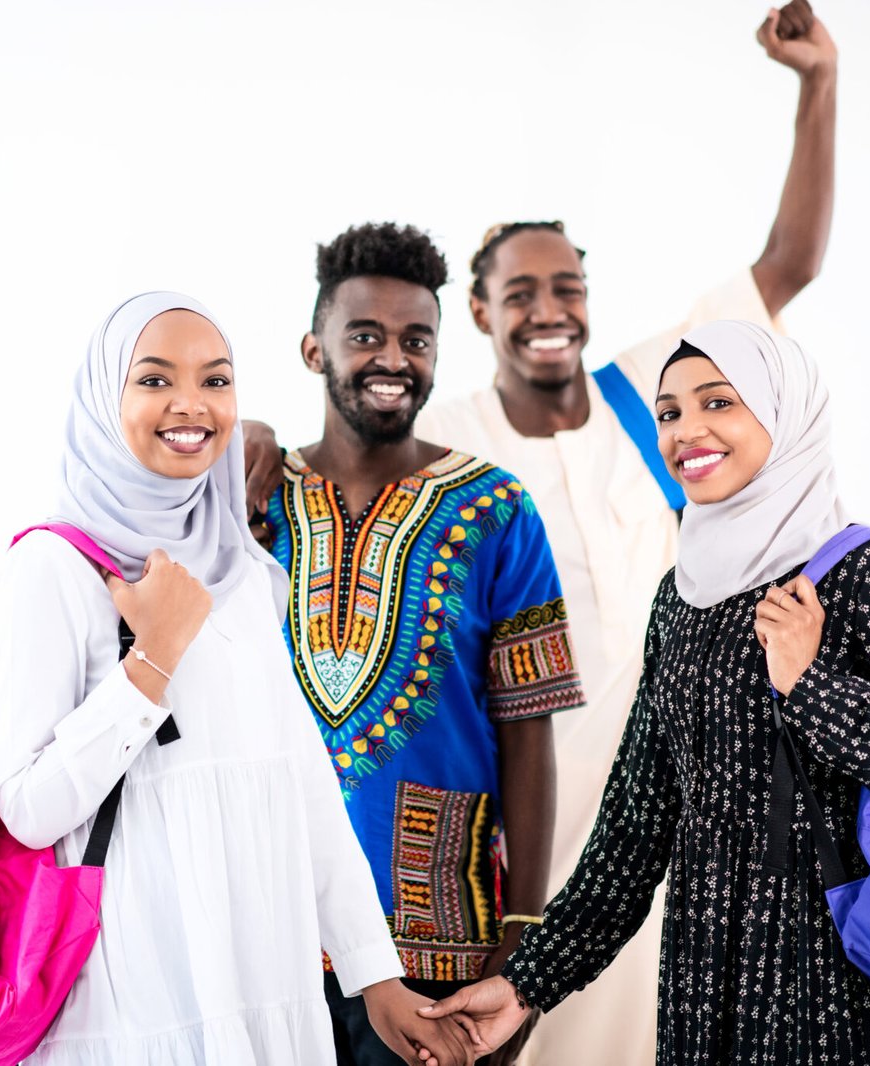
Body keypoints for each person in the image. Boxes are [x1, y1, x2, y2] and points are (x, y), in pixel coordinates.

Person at [249, 6, 841, 1060]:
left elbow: (785, 263)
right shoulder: (454, 439)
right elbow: (347, 426)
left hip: (664, 801)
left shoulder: (652, 405)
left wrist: (817, 82)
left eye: (566, 285)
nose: (547, 308)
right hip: (518, 820)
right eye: (518, 291)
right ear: (477, 316)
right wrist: (245, 435)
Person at [417, 320, 870, 1065]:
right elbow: (633, 839)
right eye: (667, 413)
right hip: (703, 997)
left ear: (783, 411)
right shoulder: (681, 598)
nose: (685, 430)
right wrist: (525, 986)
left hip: (836, 998)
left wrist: (811, 688)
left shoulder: (867, 573)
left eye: (717, 403)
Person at [0, 291, 475, 1066]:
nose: (191, 404)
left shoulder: (247, 576)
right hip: (134, 1003)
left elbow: (300, 783)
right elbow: (29, 808)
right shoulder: (50, 570)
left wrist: (373, 976)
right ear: (104, 398)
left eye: (216, 380)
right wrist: (152, 658)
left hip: (265, 994)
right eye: (153, 380)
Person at [259, 223, 585, 1066]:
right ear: (312, 347)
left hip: (444, 943)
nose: (391, 358)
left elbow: (528, 732)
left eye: (416, 339)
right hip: (268, 940)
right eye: (364, 335)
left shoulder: (498, 509)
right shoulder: (252, 507)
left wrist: (525, 942)